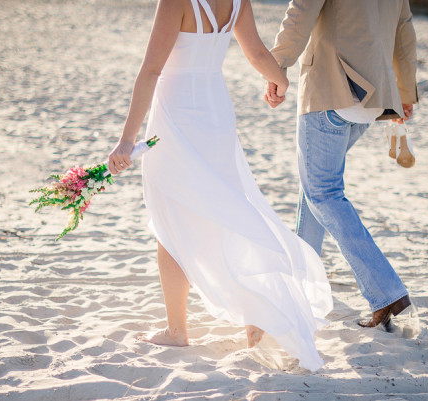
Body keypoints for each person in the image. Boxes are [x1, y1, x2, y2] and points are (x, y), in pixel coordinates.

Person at [107, 0, 333, 371]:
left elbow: (150, 70)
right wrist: (279, 79)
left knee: (170, 219)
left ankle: (177, 329)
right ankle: (255, 313)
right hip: (215, 115)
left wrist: (126, 140)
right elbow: (257, 52)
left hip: (177, 117)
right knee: (226, 209)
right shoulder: (236, 0)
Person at [264, 0, 418, 329]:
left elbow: (300, 12)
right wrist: (404, 91)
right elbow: (404, 31)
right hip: (374, 98)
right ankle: (301, 285)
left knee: (323, 192)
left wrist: (276, 66)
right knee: (315, 188)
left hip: (332, 88)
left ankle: (388, 293)